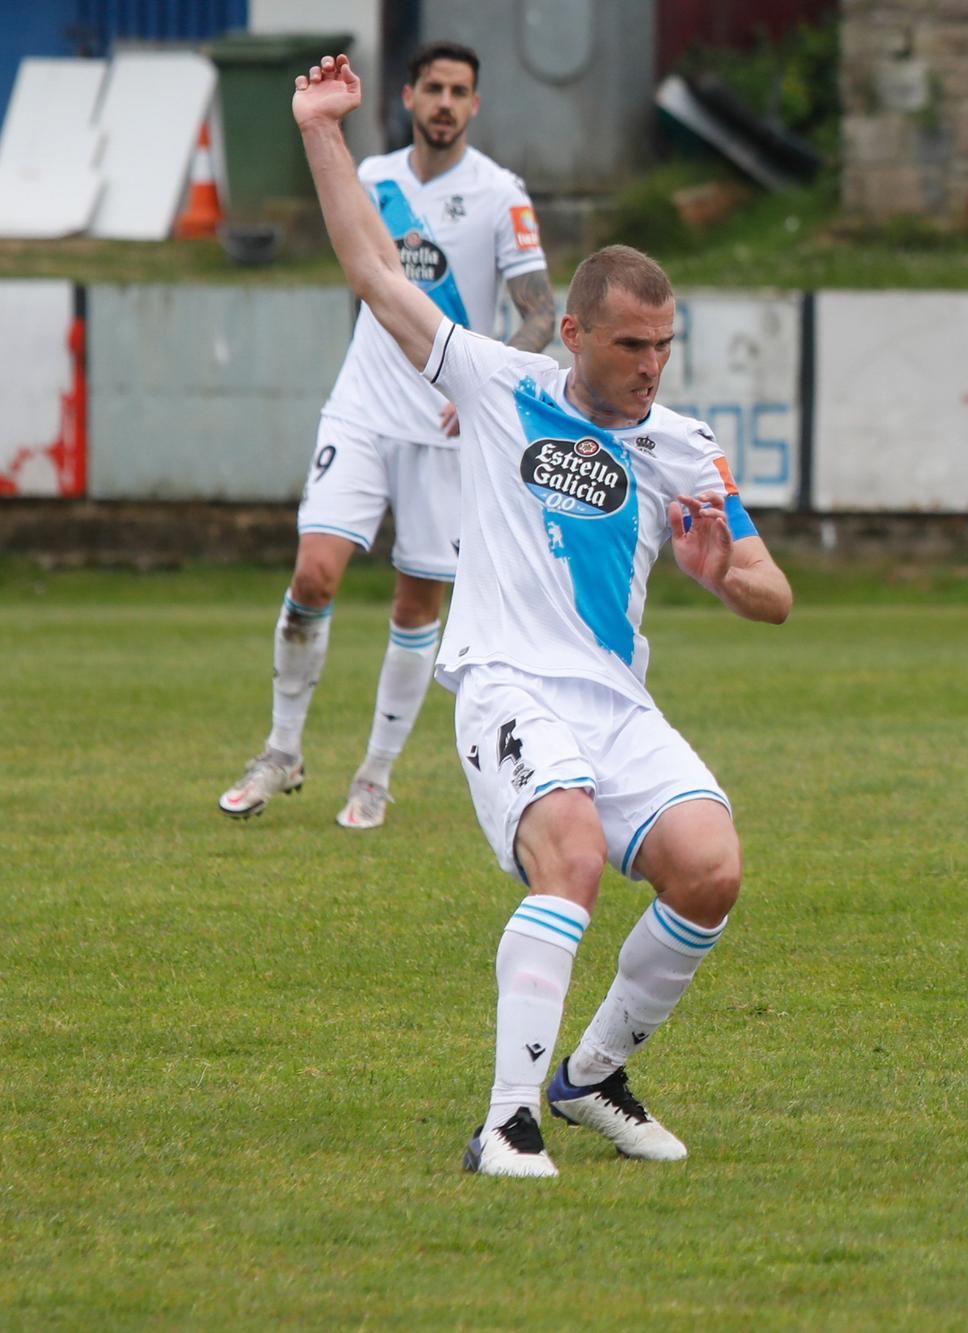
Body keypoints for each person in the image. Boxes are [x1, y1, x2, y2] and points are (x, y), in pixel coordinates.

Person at [292, 54, 795, 1178]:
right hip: (507, 683)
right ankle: (506, 1121)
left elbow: (773, 592)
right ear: (570, 332)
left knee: (709, 865)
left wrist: (723, 576)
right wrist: (322, 129)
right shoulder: (494, 382)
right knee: (565, 852)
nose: (650, 367)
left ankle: (591, 1076)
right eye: (630, 345)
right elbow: (375, 273)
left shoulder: (683, 446)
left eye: (665, 346)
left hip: (613, 699)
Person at [220, 40, 558, 830]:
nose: (445, 101)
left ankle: (374, 774)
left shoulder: (501, 195)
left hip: (445, 426)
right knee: (314, 574)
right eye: (433, 87)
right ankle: (281, 748)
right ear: (407, 96)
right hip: (364, 408)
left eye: (460, 90)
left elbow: (540, 309)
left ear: (476, 105)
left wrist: (487, 384)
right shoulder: (371, 179)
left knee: (417, 606)